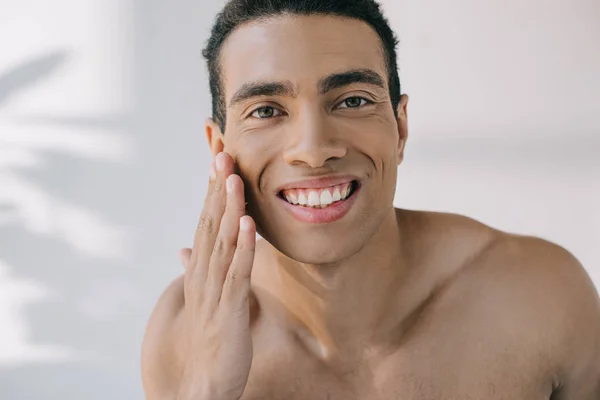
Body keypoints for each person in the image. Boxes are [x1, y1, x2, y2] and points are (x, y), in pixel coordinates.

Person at [141, 0, 600, 399]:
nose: (315, 149)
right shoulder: (182, 333)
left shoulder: (543, 295)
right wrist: (204, 391)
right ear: (220, 150)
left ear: (400, 127)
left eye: (353, 101)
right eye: (266, 111)